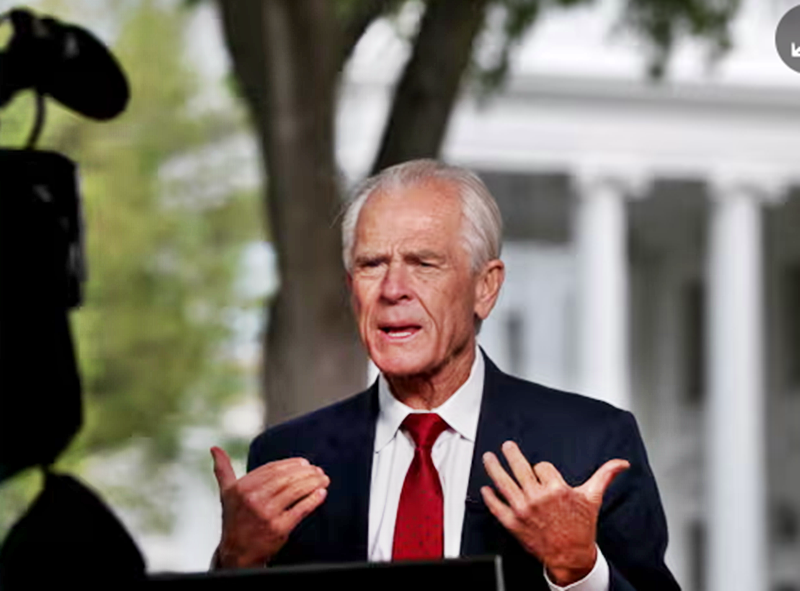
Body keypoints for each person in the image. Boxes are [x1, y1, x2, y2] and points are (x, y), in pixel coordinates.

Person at [210, 160, 680, 591]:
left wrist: (579, 569)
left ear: (485, 288)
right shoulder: (288, 456)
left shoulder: (591, 444)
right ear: (352, 288)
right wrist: (236, 561)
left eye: (423, 264)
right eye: (372, 265)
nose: (393, 289)